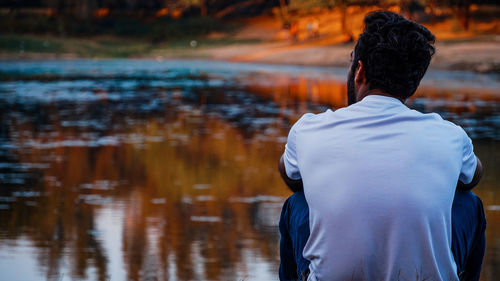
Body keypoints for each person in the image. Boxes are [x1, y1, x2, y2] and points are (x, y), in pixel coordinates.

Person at [278, 11, 486, 281]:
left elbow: (291, 177)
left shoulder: (308, 129)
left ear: (360, 71)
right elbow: (473, 176)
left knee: (297, 203)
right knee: (469, 204)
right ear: (413, 83)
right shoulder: (450, 136)